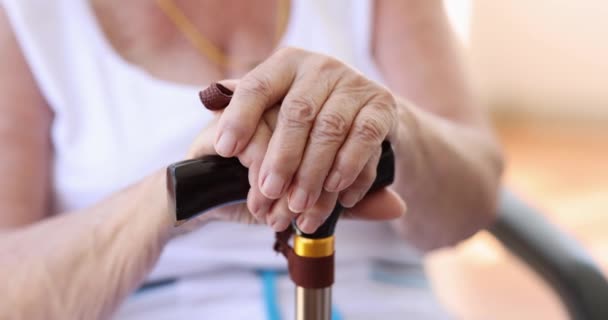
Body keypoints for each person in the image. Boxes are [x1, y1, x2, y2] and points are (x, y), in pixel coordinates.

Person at [0, 0, 503, 319]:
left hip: (377, 298)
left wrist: (391, 126)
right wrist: (175, 195)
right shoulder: (27, 16)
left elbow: (474, 199)